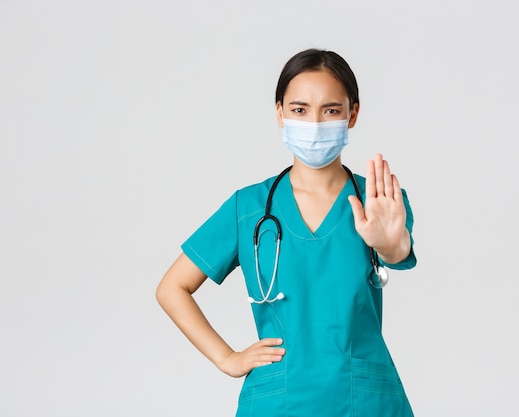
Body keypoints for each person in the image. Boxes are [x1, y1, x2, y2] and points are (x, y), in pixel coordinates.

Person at [156, 48, 417, 416]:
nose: (314, 122)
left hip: (365, 402)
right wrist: (227, 358)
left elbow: (396, 250)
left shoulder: (379, 202)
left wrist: (392, 245)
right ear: (279, 113)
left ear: (352, 114)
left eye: (330, 110)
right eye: (299, 109)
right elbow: (171, 288)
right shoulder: (248, 209)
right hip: (279, 399)